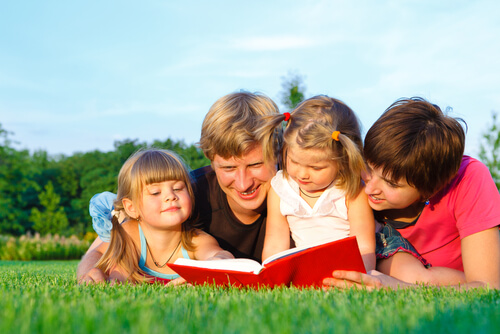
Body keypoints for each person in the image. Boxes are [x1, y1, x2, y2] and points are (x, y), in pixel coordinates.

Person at [77, 91, 281, 283]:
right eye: (228, 167)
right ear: (211, 161)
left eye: (256, 164)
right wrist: (91, 275)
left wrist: (212, 268)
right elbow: (99, 249)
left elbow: (215, 255)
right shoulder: (190, 193)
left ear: (278, 155)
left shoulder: (300, 192)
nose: (244, 183)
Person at [322, 97, 500, 290]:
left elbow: (489, 286)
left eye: (391, 184)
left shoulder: (468, 178)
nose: (370, 188)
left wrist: (398, 287)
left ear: (430, 190)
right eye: (369, 167)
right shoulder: (350, 182)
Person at [256, 95, 376, 271]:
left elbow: (364, 247)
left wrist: (360, 278)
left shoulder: (351, 192)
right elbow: (275, 244)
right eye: (294, 162)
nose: (302, 174)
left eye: (316, 168)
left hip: (346, 266)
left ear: (342, 161)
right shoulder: (281, 189)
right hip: (306, 269)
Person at [87, 149, 233, 284]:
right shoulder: (130, 233)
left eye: (178, 188)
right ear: (131, 208)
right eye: (156, 192)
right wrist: (89, 274)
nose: (171, 196)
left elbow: (220, 255)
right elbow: (96, 254)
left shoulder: (196, 240)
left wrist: (215, 263)